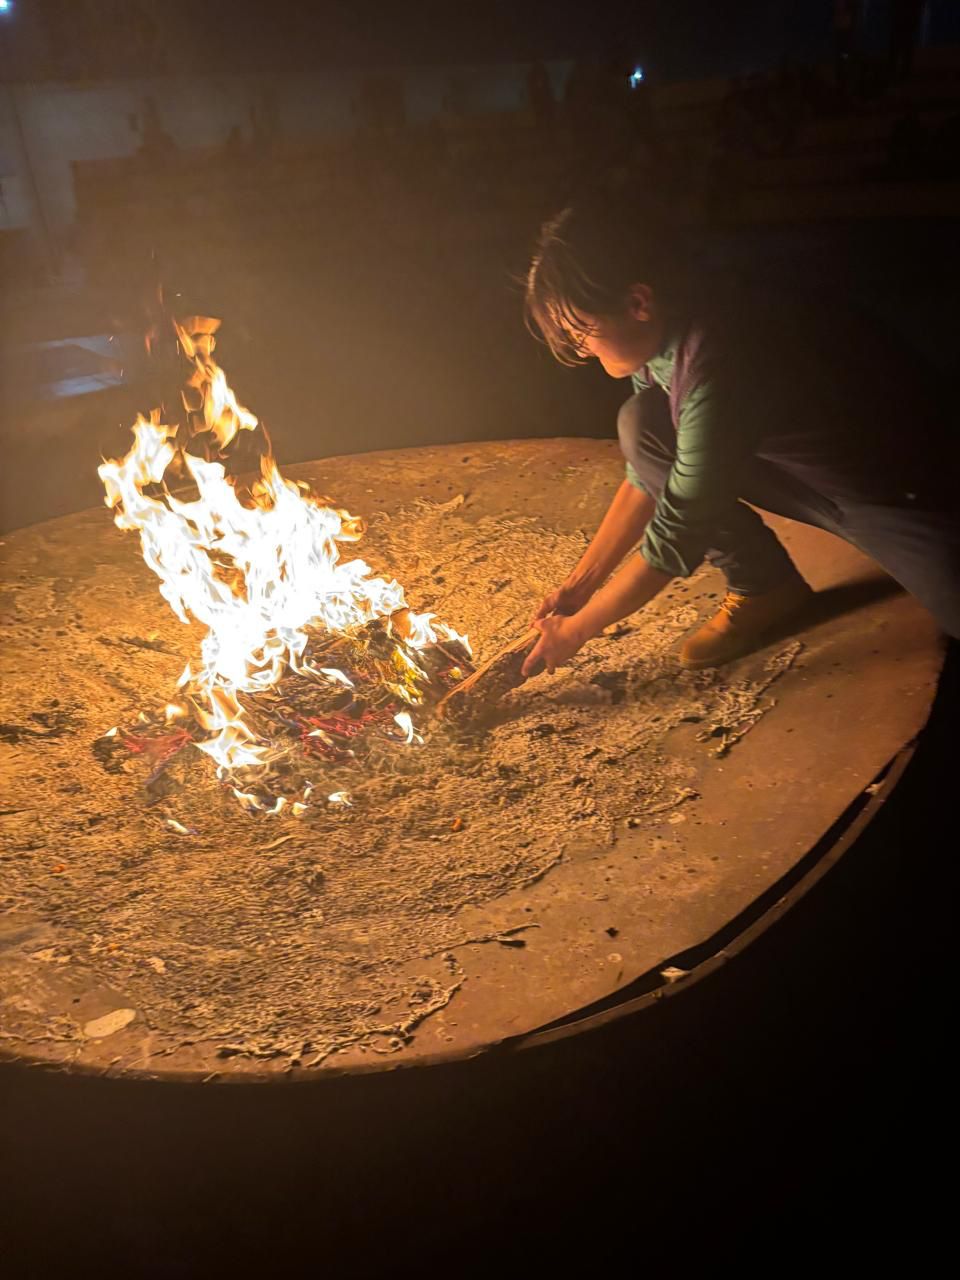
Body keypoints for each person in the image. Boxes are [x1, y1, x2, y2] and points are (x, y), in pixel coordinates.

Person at [519, 184, 959, 679]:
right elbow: (646, 478)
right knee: (644, 423)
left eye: (580, 331)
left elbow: (680, 528)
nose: (580, 350)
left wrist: (576, 632)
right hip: (818, 485)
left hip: (901, 494)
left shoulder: (720, 357)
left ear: (638, 301)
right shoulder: (666, 331)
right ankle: (764, 586)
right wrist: (578, 588)